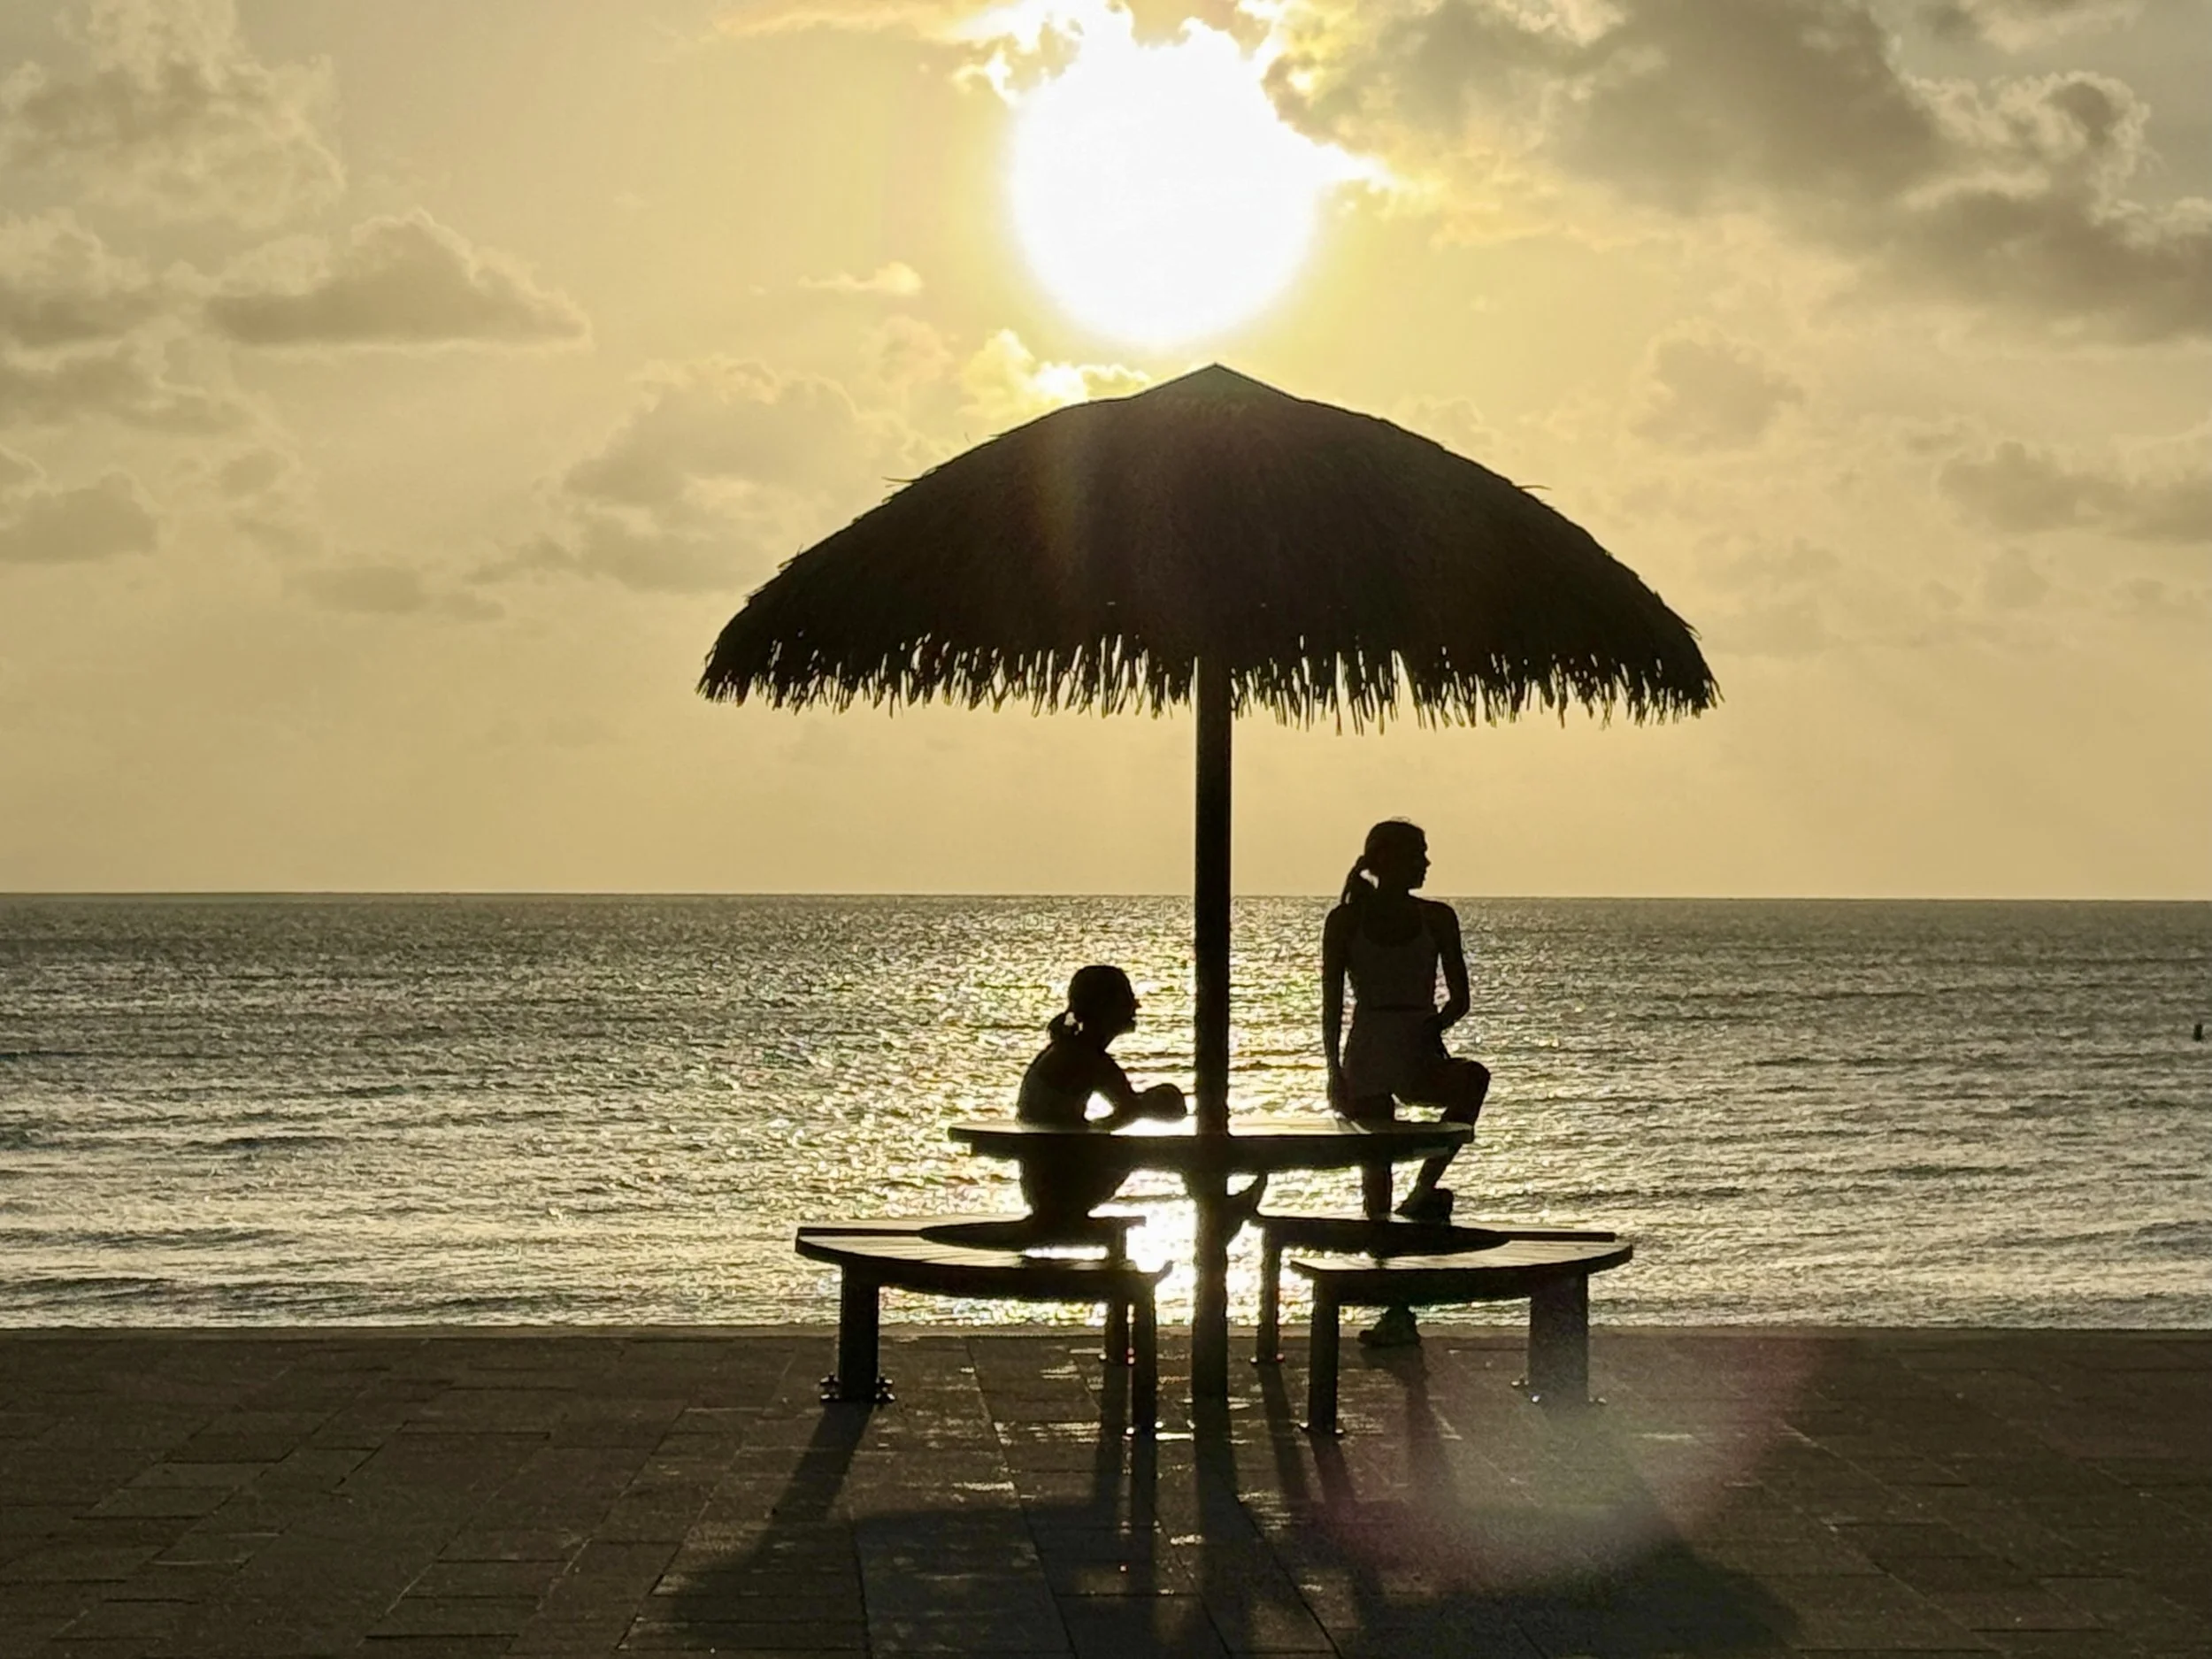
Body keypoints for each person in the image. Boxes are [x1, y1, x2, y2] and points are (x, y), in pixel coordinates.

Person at [1322, 819, 1492, 1346]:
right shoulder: (1346, 921)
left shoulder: (1437, 918)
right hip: (1369, 1044)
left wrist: (1432, 1029)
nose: (1426, 863)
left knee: (1471, 1081)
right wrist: (1333, 1071)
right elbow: (1330, 1004)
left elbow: (1460, 1000)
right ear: (1389, 860)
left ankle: (1423, 1190)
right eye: (1418, 853)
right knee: (1376, 1187)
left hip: (1415, 1040)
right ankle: (1395, 1309)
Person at [1015, 965, 1187, 1231]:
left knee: (1127, 1150)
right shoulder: (1087, 1059)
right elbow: (1130, 1108)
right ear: (1108, 1010)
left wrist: (1108, 1124)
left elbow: (1127, 1108)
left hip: (1042, 1181)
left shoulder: (1067, 1051)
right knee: (1138, 1153)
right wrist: (1151, 1103)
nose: (1135, 1010)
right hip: (1060, 1186)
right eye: (1127, 1002)